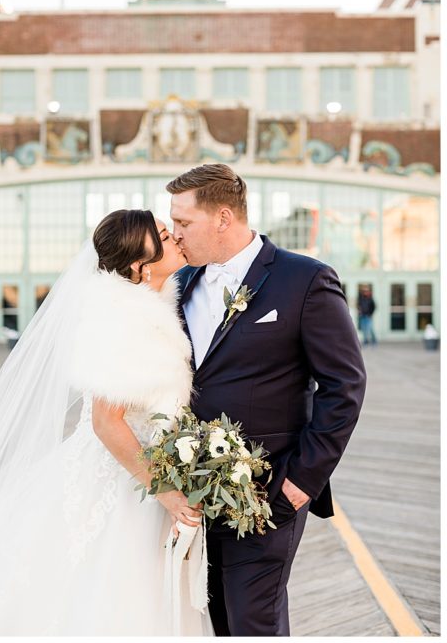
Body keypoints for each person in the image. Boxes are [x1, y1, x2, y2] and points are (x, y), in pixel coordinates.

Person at [0, 209, 211, 636]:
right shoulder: (121, 317)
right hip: (121, 480)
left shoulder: (159, 303)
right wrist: (169, 494)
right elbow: (106, 421)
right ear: (140, 267)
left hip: (143, 473)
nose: (175, 236)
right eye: (163, 234)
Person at [168, 163, 366, 636]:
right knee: (214, 619)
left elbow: (344, 386)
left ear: (222, 218)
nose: (174, 235)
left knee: (253, 621)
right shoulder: (181, 285)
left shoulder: (305, 280)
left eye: (182, 222)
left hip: (268, 490)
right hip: (193, 494)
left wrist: (301, 482)